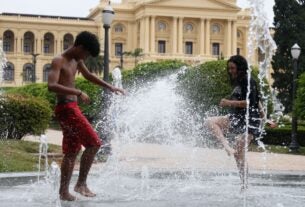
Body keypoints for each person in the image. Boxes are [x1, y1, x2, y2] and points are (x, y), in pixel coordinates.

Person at [48, 31, 125, 201]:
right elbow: (51, 85)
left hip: (71, 107)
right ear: (79, 47)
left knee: (72, 151)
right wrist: (78, 91)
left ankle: (63, 192)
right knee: (94, 143)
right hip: (66, 108)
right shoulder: (59, 60)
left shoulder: (77, 59)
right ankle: (80, 184)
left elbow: (89, 76)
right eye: (86, 53)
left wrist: (110, 87)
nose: (86, 57)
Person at [205, 55, 276, 189]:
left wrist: (228, 102)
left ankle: (245, 185)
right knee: (210, 121)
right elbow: (258, 101)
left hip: (250, 121)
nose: (230, 70)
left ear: (240, 67)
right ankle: (226, 147)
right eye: (229, 68)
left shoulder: (249, 81)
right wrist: (265, 118)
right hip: (237, 118)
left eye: (232, 68)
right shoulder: (238, 81)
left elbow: (251, 103)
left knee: (239, 152)